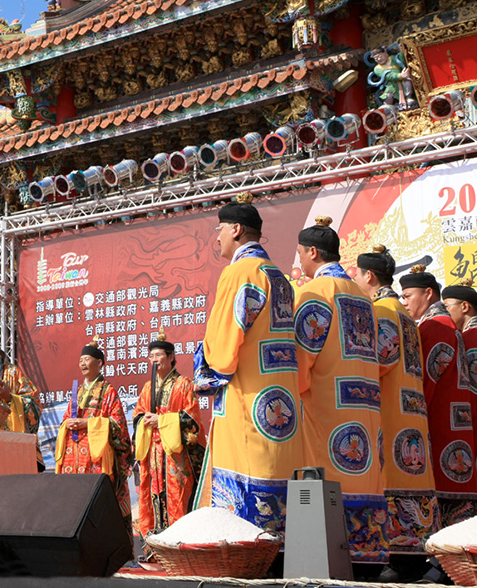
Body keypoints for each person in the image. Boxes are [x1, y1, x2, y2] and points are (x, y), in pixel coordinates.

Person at [194, 195, 304, 535]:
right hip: (280, 394)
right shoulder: (280, 277)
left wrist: (206, 371)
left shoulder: (239, 273)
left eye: (220, 229)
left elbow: (225, 344)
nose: (217, 237)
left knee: (246, 472)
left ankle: (247, 545)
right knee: (277, 467)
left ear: (237, 230)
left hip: (247, 397)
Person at [294, 217, 387, 565]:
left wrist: (295, 390)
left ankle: (329, 556)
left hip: (327, 403)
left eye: (301, 253)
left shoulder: (314, 293)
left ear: (313, 252)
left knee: (328, 476)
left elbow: (302, 355)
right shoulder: (363, 298)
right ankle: (369, 554)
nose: (299, 261)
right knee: (364, 475)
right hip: (365, 400)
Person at [353, 247, 439, 578]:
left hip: (391, 410)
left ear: (369, 276)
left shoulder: (383, 312)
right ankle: (414, 553)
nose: (357, 280)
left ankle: (398, 554)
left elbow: (380, 360)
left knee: (394, 476)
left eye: (358, 275)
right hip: (411, 409)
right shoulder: (405, 314)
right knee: (413, 473)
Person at [401, 266, 477, 527]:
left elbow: (426, 379)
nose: (405, 302)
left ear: (427, 293)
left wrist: (413, 413)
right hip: (459, 418)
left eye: (408, 295)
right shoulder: (448, 326)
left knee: (448, 489)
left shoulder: (436, 327)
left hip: (443, 420)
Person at [55, 339, 134, 524]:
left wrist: (88, 423)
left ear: (99, 364)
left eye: (87, 359)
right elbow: (66, 418)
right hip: (73, 457)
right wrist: (68, 425)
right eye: (81, 359)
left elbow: (118, 424)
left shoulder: (108, 391)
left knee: (97, 505)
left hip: (95, 457)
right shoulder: (78, 391)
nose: (82, 363)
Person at [132, 335, 203, 538]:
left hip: (174, 453)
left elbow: (192, 419)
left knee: (177, 495)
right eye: (151, 356)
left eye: (159, 355)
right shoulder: (148, 387)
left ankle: (179, 542)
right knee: (153, 494)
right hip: (153, 453)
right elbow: (137, 414)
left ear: (171, 357)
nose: (154, 359)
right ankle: (155, 543)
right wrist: (143, 420)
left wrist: (162, 421)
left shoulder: (183, 384)